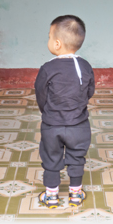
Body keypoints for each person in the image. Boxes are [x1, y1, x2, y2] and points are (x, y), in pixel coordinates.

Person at [35, 15, 95, 208]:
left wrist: (48, 113)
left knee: (51, 157)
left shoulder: (47, 69)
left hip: (52, 126)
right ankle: (75, 194)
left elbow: (41, 94)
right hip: (79, 125)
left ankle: (51, 196)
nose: (49, 41)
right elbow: (90, 91)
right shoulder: (85, 66)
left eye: (49, 37)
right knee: (77, 158)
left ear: (58, 43)